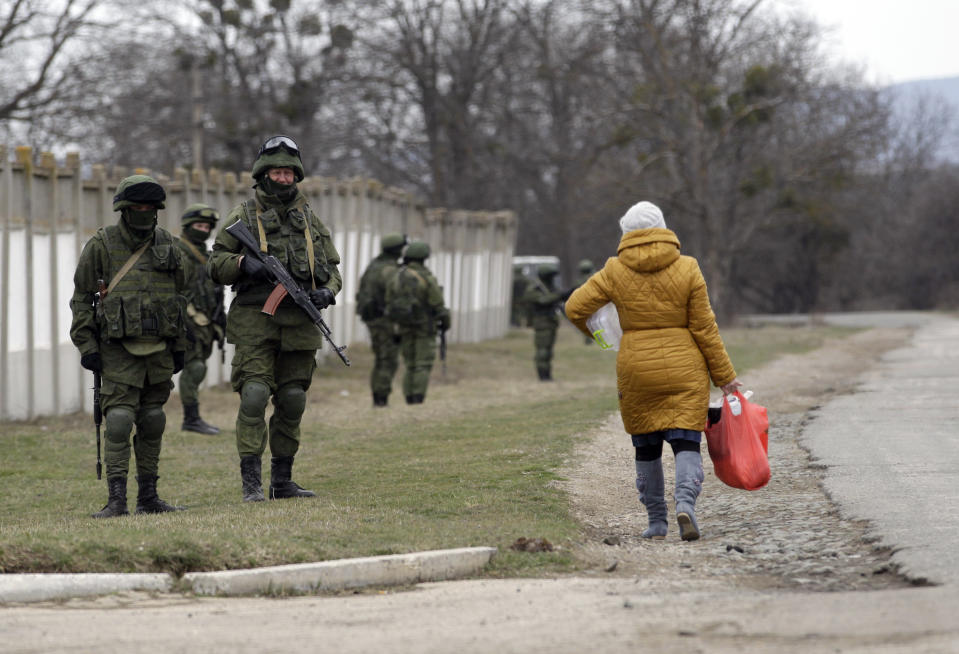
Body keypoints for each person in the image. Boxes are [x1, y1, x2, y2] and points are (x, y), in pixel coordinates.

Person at [564, 201, 742, 541]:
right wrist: (725, 378)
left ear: (626, 233)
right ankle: (685, 505)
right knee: (686, 441)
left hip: (637, 368)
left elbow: (574, 307)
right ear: (662, 227)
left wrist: (602, 335)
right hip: (685, 368)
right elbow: (706, 328)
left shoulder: (614, 270)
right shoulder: (688, 267)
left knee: (646, 445)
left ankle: (656, 522)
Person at [208, 135, 342, 502]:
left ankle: (282, 481)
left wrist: (327, 292)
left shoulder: (309, 220)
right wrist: (242, 263)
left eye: (288, 173)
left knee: (293, 399)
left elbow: (333, 271)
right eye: (276, 172)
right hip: (256, 321)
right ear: (263, 175)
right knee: (253, 396)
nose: (283, 179)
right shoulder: (243, 216)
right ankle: (251, 483)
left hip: (300, 324)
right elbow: (215, 263)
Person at [69, 174, 189, 518]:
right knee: (120, 419)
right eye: (136, 207)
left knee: (152, 419)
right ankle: (117, 500)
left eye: (149, 207)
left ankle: (148, 497)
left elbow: (180, 300)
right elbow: (81, 298)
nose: (143, 212)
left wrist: (180, 344)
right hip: (118, 350)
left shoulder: (169, 244)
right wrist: (86, 344)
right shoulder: (102, 245)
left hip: (160, 349)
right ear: (123, 209)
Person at [175, 203, 226, 434]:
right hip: (187, 322)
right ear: (187, 226)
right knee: (194, 368)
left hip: (206, 321)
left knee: (199, 366)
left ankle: (193, 418)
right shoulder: (178, 251)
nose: (203, 229)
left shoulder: (206, 255)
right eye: (198, 225)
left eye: (207, 226)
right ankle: (191, 419)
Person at [384, 240, 450, 404]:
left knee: (410, 364)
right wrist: (445, 323)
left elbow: (388, 302)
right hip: (424, 327)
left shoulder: (396, 277)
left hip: (403, 327)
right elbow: (438, 304)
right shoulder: (426, 278)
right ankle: (417, 398)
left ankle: (409, 397)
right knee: (422, 364)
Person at [356, 233, 407, 407]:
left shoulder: (374, 266)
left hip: (373, 319)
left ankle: (379, 397)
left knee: (381, 358)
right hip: (385, 320)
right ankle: (381, 399)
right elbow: (396, 297)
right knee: (388, 359)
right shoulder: (389, 270)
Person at [522, 262, 566, 381]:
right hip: (541, 323)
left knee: (549, 351)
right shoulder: (534, 289)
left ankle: (547, 375)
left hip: (551, 322)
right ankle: (542, 375)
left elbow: (556, 297)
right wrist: (558, 295)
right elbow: (543, 300)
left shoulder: (550, 288)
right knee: (542, 351)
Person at [575, 259, 596, 343]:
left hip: (583, 304)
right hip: (595, 303)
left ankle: (588, 339)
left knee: (586, 322)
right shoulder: (595, 278)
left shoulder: (578, 282)